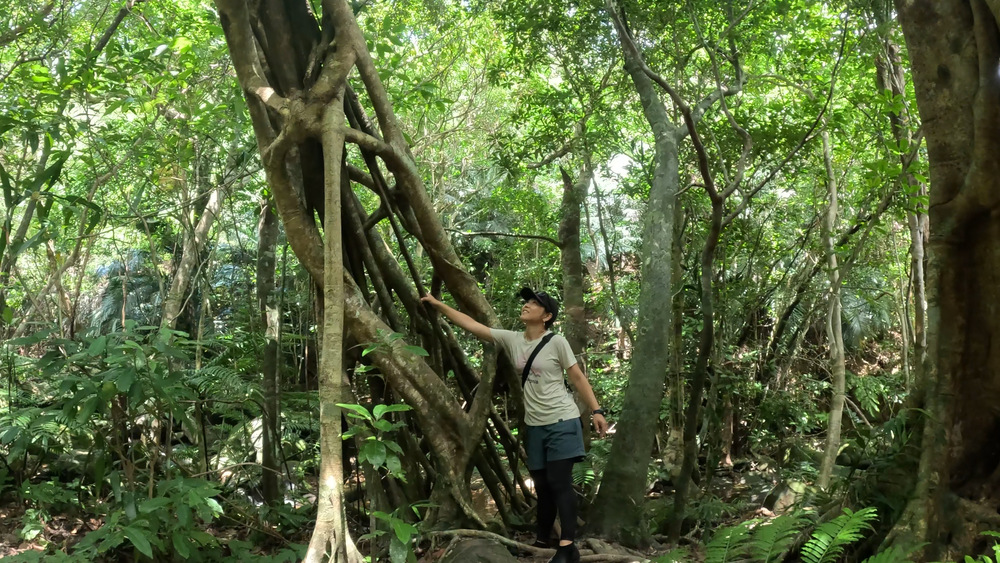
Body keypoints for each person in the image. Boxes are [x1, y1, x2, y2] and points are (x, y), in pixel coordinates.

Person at [421, 287, 608, 563]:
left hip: (562, 420)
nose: (527, 305)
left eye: (534, 303)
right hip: (535, 425)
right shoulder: (513, 339)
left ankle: (568, 547)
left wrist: (596, 410)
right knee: (542, 486)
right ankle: (542, 539)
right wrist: (437, 304)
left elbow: (577, 377)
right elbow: (473, 325)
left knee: (559, 482)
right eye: (527, 301)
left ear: (546, 316)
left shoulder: (556, 342)